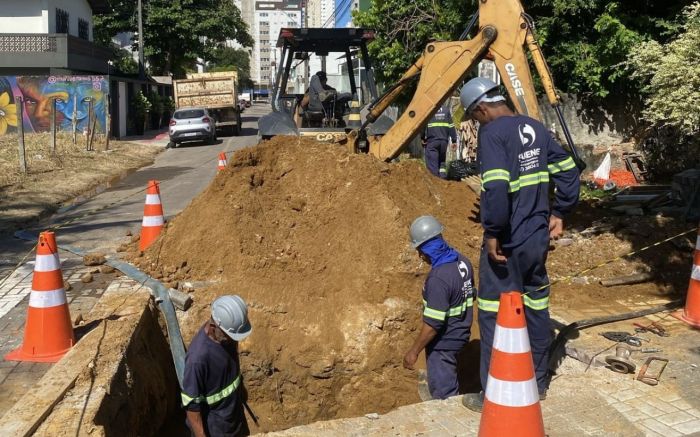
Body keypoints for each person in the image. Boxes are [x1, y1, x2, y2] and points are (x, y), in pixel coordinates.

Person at [457, 78, 580, 412]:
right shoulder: (535, 128)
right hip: (536, 239)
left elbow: (495, 189)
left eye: (473, 116)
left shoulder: (493, 133)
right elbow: (569, 170)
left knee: (494, 314)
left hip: (508, 243)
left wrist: (493, 231)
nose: (476, 122)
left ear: (481, 108)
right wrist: (561, 211)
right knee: (536, 310)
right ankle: (537, 383)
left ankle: (494, 393)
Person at [403, 215, 475, 400]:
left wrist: (414, 352)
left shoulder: (438, 279)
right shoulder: (462, 261)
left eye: (421, 250)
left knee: (445, 397)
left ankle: (450, 416)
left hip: (444, 343)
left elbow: (433, 324)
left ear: (428, 248)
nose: (420, 255)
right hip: (461, 331)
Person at [182, 295, 253, 437]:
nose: (234, 339)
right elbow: (192, 408)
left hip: (234, 415)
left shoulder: (227, 333)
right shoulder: (198, 359)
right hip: (216, 427)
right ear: (213, 327)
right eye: (230, 335)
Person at [422, 101, 457, 179]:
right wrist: (454, 140)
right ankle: (443, 179)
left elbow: (423, 125)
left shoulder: (429, 110)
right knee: (442, 161)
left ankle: (436, 181)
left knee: (432, 163)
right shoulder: (446, 110)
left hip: (432, 141)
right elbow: (451, 126)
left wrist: (422, 137)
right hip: (444, 142)